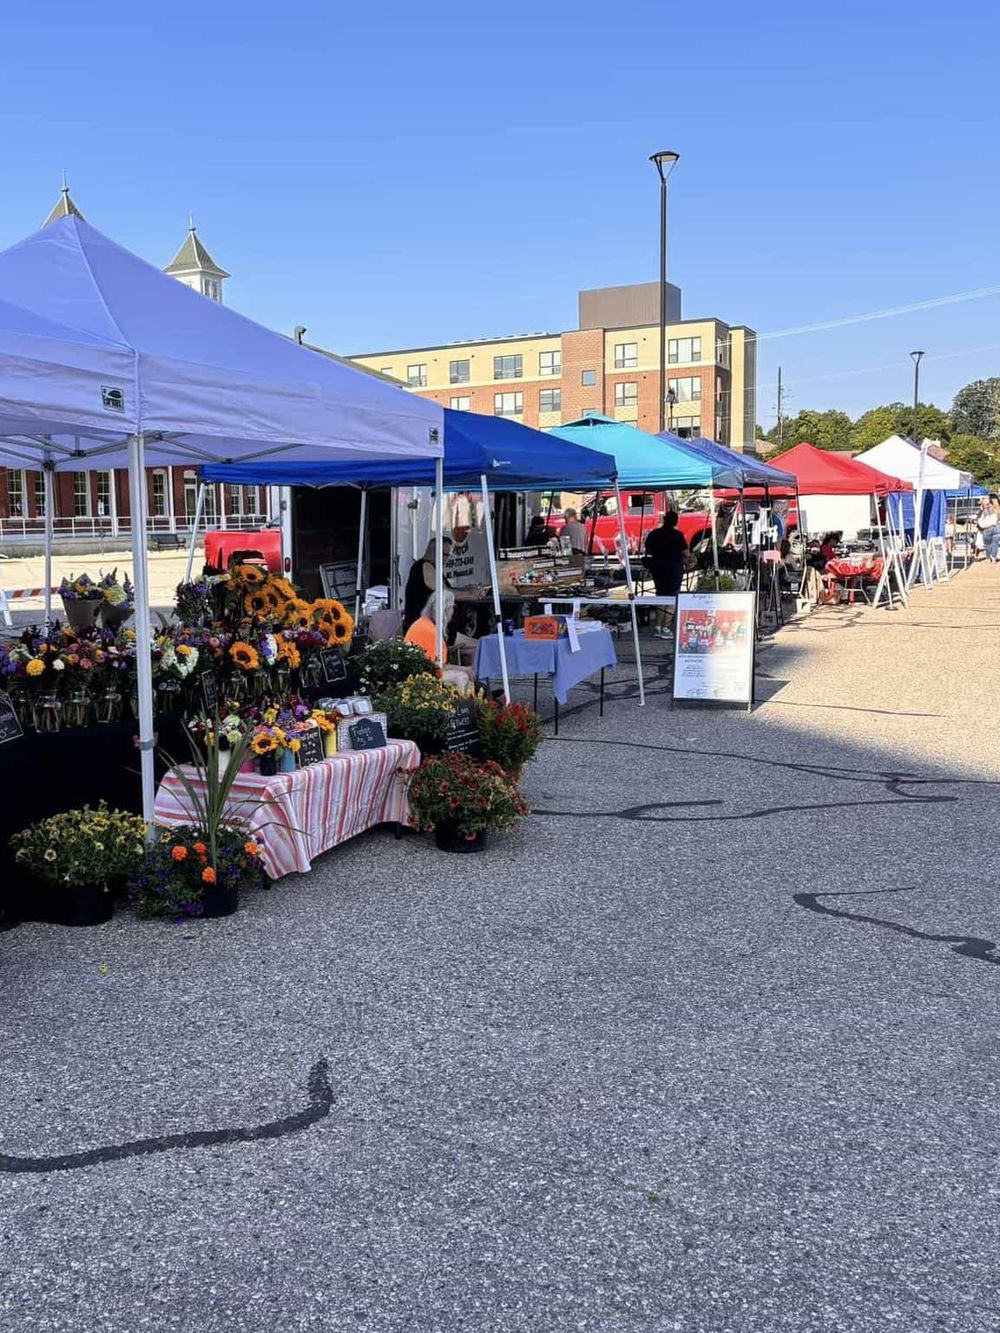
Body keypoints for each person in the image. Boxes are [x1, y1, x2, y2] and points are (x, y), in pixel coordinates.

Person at [644, 510, 689, 639]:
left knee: (660, 594)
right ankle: (666, 627)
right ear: (676, 521)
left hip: (657, 567)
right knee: (672, 597)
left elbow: (648, 549)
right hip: (674, 568)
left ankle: (657, 626)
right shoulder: (678, 535)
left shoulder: (654, 534)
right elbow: (686, 553)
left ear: (664, 519)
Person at [404, 590, 477, 668]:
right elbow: (438, 667)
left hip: (422, 669)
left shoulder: (425, 622)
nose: (453, 611)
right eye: (453, 607)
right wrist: (464, 670)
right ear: (448, 608)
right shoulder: (431, 631)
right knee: (462, 676)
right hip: (423, 673)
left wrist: (464, 669)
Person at [403, 537, 452, 631]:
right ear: (434, 552)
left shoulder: (432, 568)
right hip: (424, 627)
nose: (448, 559)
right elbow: (443, 591)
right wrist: (470, 594)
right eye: (445, 555)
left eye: (449, 555)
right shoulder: (425, 566)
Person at [977, 494, 1000, 563]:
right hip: (996, 527)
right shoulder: (997, 509)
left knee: (987, 544)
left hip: (987, 528)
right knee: (995, 544)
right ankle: (993, 558)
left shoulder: (984, 511)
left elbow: (980, 519)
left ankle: (988, 557)